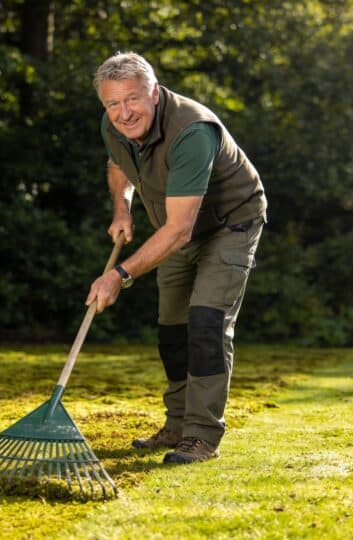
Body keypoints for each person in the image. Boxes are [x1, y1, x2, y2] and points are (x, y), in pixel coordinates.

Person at [86, 52, 267, 464]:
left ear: (154, 91)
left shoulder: (192, 131)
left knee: (205, 322)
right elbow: (118, 163)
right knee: (172, 329)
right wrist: (122, 209)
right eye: (113, 104)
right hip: (177, 228)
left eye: (132, 99)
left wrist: (119, 275)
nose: (123, 112)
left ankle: (201, 436)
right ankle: (178, 423)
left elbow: (180, 230)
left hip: (229, 225)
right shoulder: (113, 124)